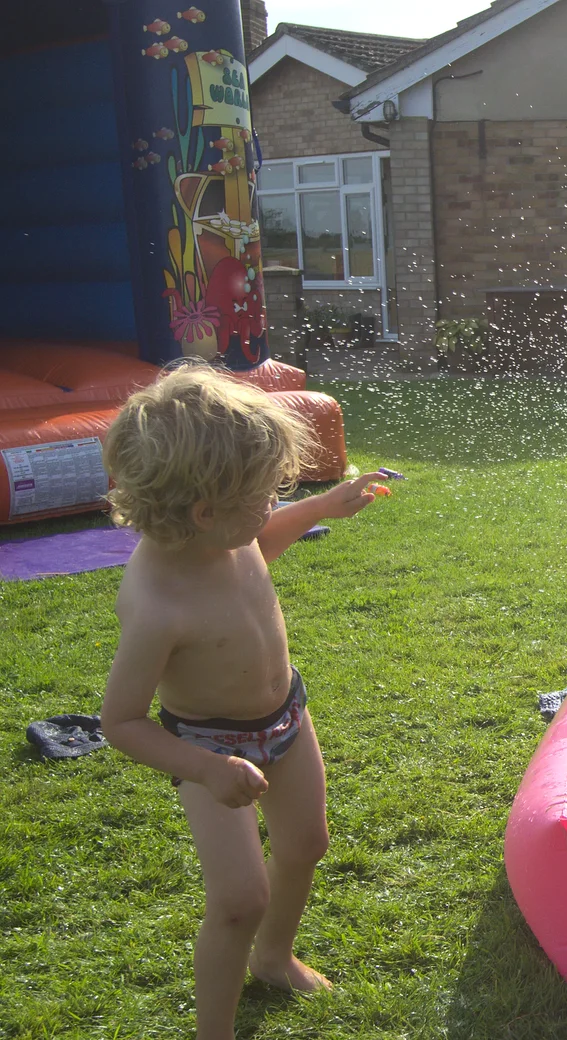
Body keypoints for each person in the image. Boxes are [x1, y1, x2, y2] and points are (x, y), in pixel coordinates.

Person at [98, 363, 387, 1039]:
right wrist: (205, 769)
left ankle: (275, 955)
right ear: (204, 512)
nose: (274, 503)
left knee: (306, 842)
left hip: (287, 715)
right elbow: (120, 721)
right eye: (265, 495)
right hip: (209, 745)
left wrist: (317, 508)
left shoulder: (223, 537)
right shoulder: (159, 604)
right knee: (237, 898)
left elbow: (259, 542)